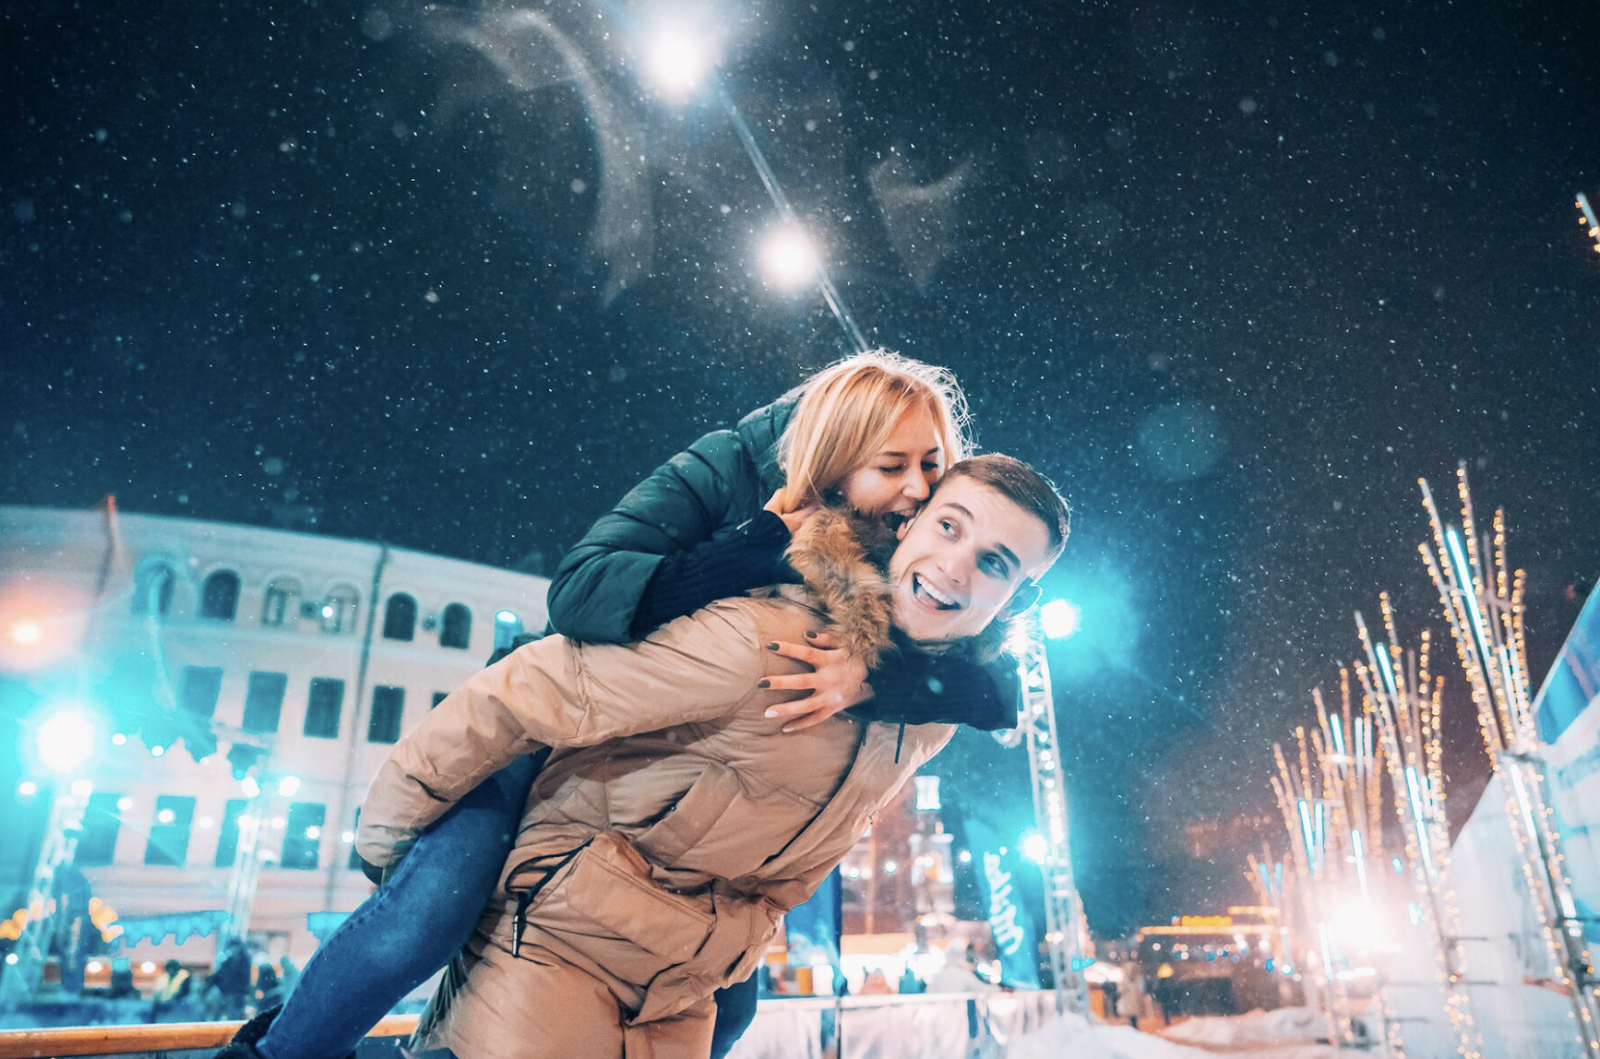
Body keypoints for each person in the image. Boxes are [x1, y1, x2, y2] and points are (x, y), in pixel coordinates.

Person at [216, 352, 1021, 1059]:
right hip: (552, 727)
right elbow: (581, 594)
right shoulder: (731, 471)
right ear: (837, 451)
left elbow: (986, 679)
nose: (919, 488)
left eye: (933, 463)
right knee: (428, 907)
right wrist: (751, 549)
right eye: (896, 464)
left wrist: (874, 675)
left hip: (657, 811)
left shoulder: (898, 536)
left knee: (731, 997)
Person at [352, 455, 1069, 1058]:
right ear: (908, 519)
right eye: (949, 526)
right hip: (551, 953)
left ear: (1014, 599)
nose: (955, 566)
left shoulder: (928, 719)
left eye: (994, 562)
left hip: (684, 990)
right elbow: (532, 687)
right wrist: (389, 833)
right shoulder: (773, 637)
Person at [151, 958, 194, 1023]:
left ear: (178, 969)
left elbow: (186, 991)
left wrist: (175, 998)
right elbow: (158, 992)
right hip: (165, 1004)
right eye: (169, 969)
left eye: (174, 969)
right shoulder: (163, 977)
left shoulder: (185, 976)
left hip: (180, 1003)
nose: (171, 971)